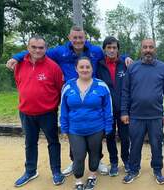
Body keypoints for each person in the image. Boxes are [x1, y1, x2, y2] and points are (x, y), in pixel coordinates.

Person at [6, 26, 127, 176]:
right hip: (72, 95)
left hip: (92, 92)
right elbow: (37, 52)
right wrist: (17, 57)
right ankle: (75, 160)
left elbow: (111, 53)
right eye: (75, 37)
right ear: (69, 38)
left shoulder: (95, 51)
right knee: (74, 131)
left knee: (94, 130)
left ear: (85, 38)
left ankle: (97, 161)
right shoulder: (59, 52)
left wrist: (125, 57)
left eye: (80, 38)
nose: (78, 40)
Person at [13, 36, 65, 187]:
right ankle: (30, 171)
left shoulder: (53, 67)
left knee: (53, 142)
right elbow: (19, 84)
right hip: (26, 112)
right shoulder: (19, 64)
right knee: (30, 143)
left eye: (41, 47)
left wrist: (53, 106)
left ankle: (56, 171)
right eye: (34, 47)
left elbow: (59, 89)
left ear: (46, 49)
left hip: (47, 113)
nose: (37, 50)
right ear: (28, 47)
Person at [120, 39, 164, 185]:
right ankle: (133, 170)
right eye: (145, 47)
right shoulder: (132, 68)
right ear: (141, 49)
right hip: (135, 115)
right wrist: (124, 112)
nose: (148, 50)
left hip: (156, 115)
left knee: (157, 145)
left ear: (155, 49)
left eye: (151, 47)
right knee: (135, 144)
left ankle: (157, 169)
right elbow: (125, 91)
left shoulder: (163, 68)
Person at [60, 57, 113, 190]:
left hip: (96, 128)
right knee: (78, 156)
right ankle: (78, 181)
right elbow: (63, 109)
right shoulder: (67, 86)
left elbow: (108, 108)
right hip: (75, 129)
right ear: (76, 69)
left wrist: (108, 127)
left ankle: (92, 176)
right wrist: (64, 128)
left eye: (87, 67)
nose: (85, 70)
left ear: (92, 68)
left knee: (94, 153)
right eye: (81, 67)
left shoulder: (101, 85)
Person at [96, 36, 130, 177]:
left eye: (114, 47)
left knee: (125, 137)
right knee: (109, 136)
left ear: (118, 50)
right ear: (104, 49)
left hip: (123, 109)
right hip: (106, 110)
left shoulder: (125, 64)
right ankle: (114, 162)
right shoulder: (98, 65)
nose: (111, 50)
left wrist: (126, 108)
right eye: (108, 47)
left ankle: (126, 160)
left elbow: (129, 87)